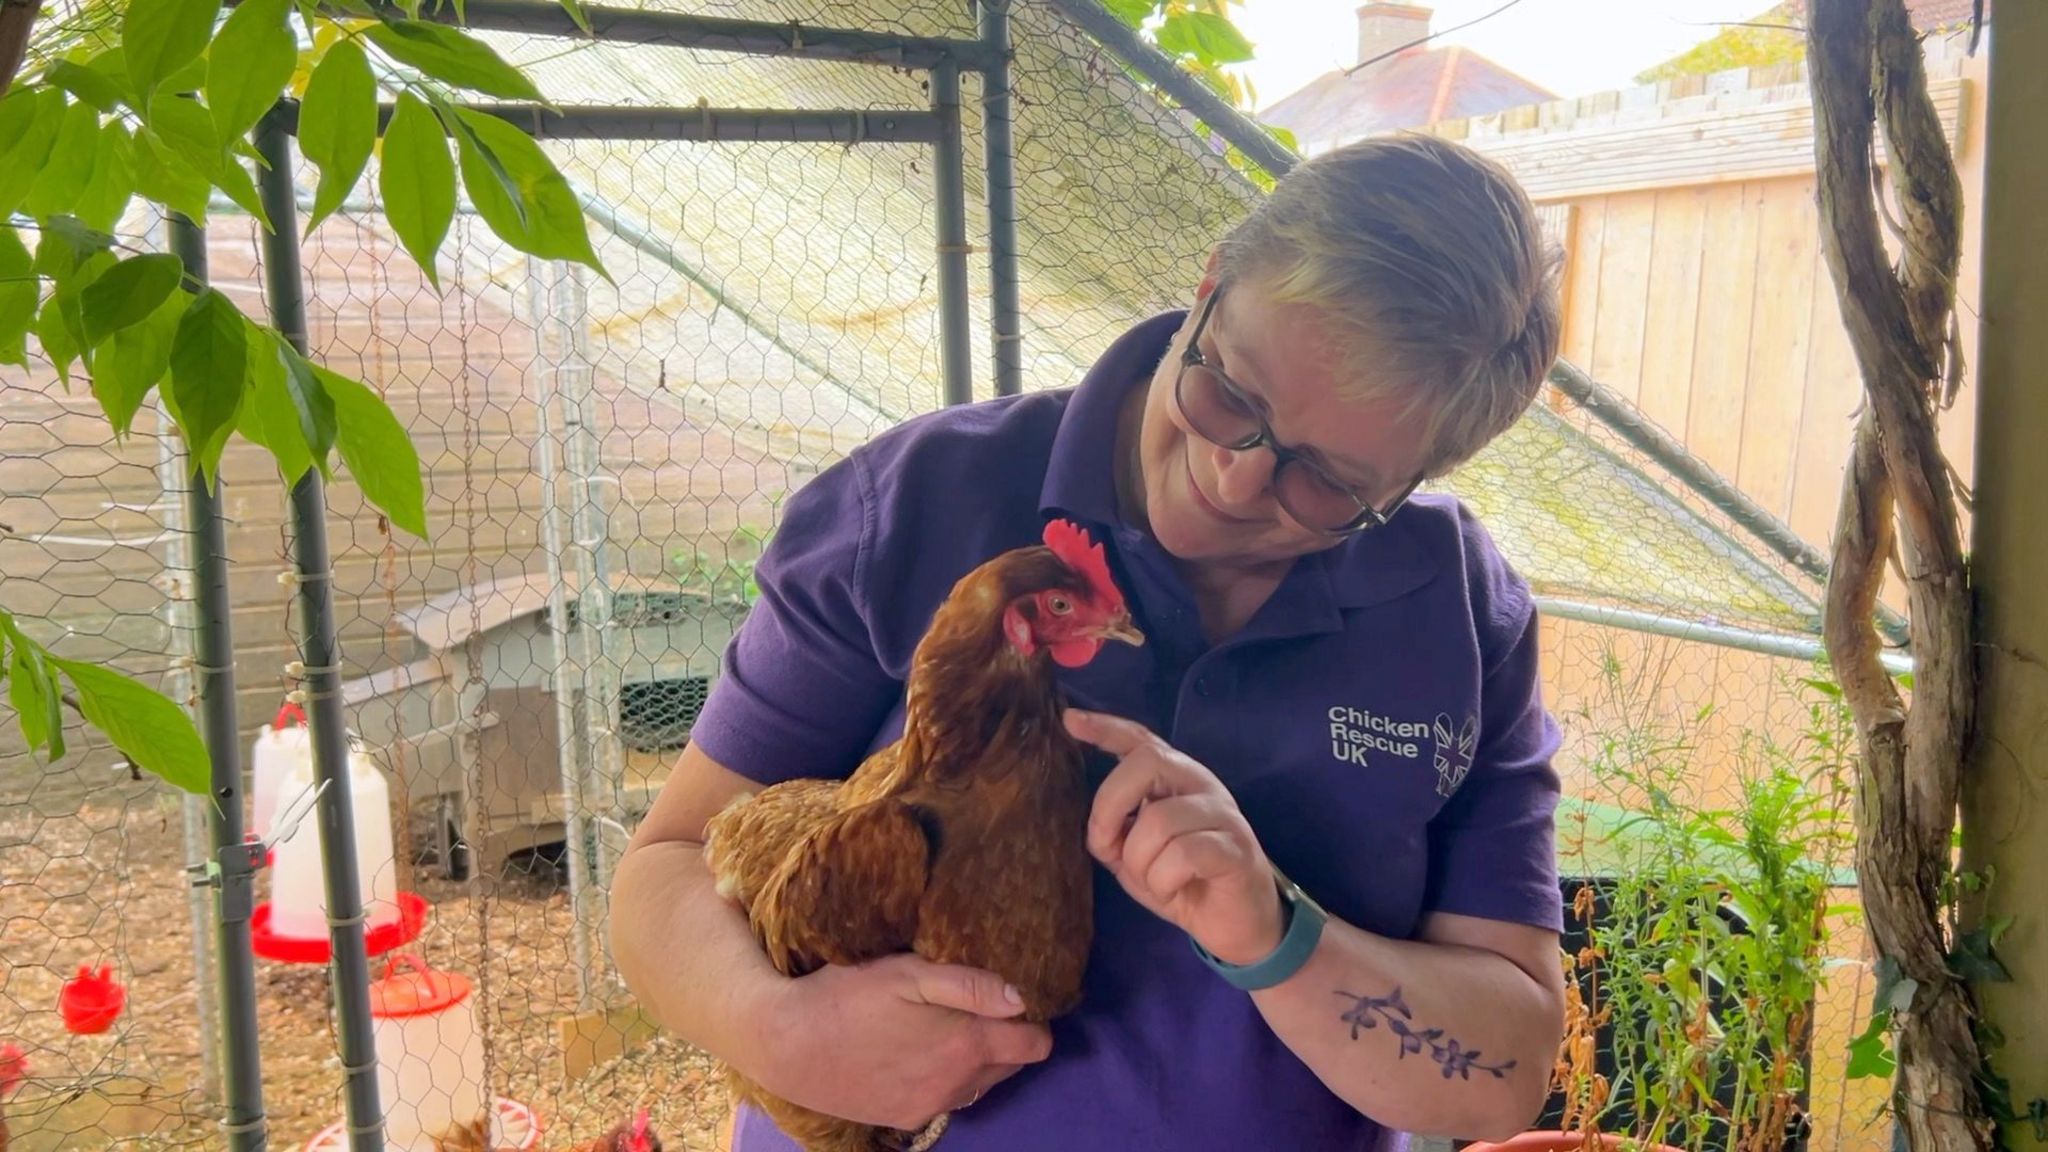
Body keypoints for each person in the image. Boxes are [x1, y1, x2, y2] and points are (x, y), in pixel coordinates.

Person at [612, 131, 1569, 1152]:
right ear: (1208, 287)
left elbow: (1500, 1075)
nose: (1233, 477)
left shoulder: (1455, 613)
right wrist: (781, 1033)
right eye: (1231, 394)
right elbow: (668, 864)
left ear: (1414, 479)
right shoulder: (918, 502)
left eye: (1326, 481)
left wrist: (1278, 932)